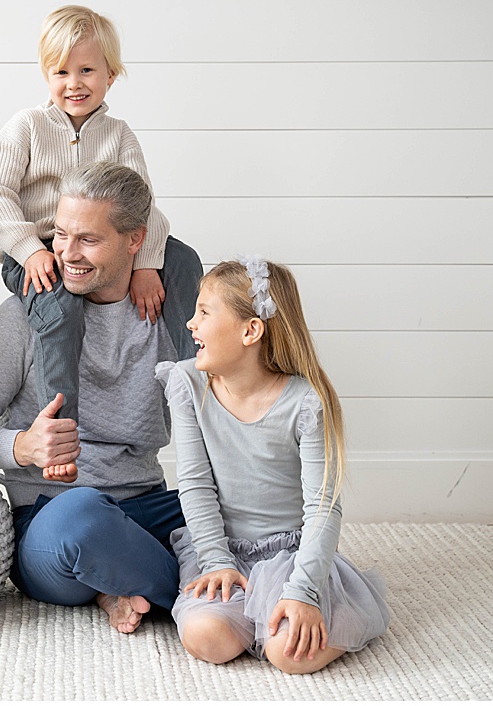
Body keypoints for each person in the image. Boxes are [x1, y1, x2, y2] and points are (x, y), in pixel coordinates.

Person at [0, 160, 197, 634]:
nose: (66, 253)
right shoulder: (25, 316)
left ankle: (121, 580)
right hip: (51, 516)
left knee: (244, 510)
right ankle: (207, 600)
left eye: (89, 239)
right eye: (61, 235)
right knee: (80, 523)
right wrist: (21, 446)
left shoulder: (170, 315)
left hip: (146, 503)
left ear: (135, 240)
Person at [0, 5, 201, 444]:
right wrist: (30, 250)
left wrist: (147, 265)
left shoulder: (118, 135)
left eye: (86, 70)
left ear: (111, 76)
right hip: (37, 248)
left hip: (104, 240)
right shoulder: (26, 128)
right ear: (46, 75)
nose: (74, 83)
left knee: (185, 260)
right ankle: (63, 425)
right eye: (61, 71)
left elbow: (146, 204)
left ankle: (195, 384)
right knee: (59, 307)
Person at [155, 259, 389, 674]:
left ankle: (332, 609)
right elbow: (194, 484)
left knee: (291, 655)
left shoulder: (305, 402)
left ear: (251, 330)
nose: (191, 324)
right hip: (223, 549)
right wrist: (216, 561)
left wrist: (302, 591)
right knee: (204, 637)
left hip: (290, 554)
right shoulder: (187, 382)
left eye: (204, 312)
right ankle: (248, 613)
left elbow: (322, 506)